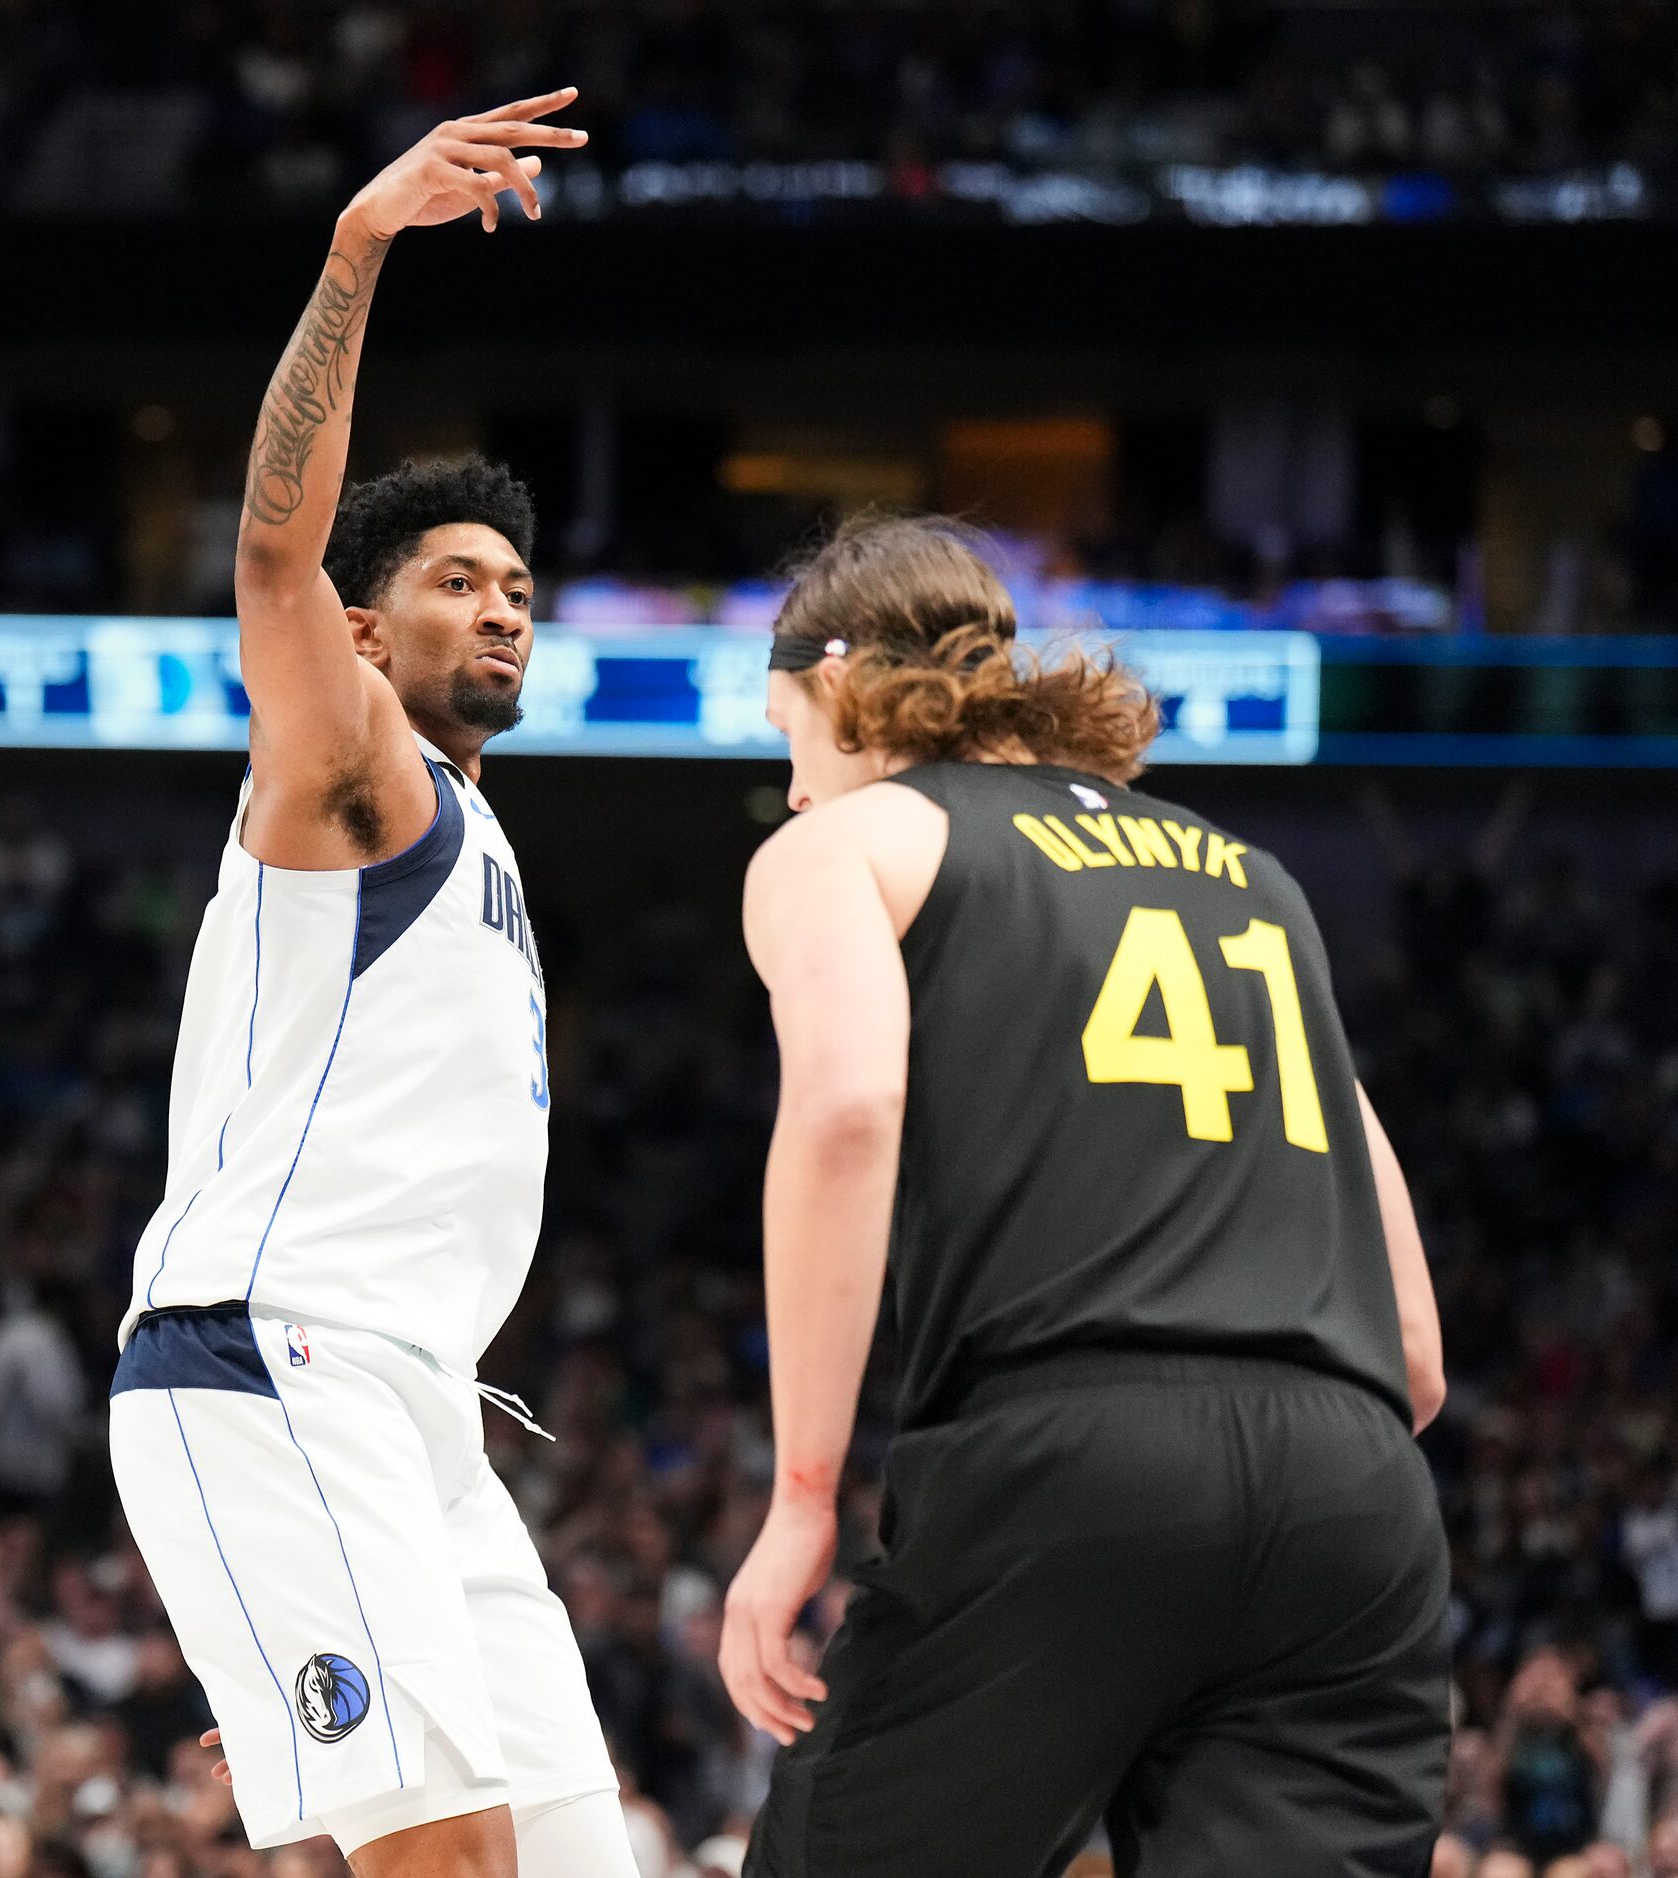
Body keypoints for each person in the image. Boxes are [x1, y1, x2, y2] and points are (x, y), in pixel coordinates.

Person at [721, 516, 1453, 1874]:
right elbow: (1413, 1348)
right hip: (1355, 1490)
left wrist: (801, 1497)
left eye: (784, 739)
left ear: (836, 686)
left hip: (1074, 1455)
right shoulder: (1255, 882)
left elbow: (845, 1109)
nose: (794, 789)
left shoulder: (849, 846)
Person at [103, 84, 632, 1878]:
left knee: (578, 1857)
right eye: (456, 580)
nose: (502, 609)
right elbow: (269, 553)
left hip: (413, 1410)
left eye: (519, 589)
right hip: (281, 1351)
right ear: (361, 630)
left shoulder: (478, 837)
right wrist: (357, 247)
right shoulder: (353, 771)